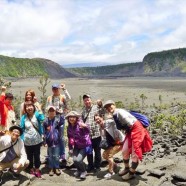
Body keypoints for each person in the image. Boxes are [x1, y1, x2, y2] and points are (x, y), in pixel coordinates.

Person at [103, 100, 153, 180]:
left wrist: (123, 129)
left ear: (114, 105)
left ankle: (131, 173)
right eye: (107, 107)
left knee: (135, 152)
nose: (109, 108)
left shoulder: (120, 112)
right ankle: (126, 168)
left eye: (110, 106)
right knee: (125, 150)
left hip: (136, 130)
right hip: (130, 131)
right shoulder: (115, 114)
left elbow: (129, 123)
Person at [46, 83, 71, 162]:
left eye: (56, 88)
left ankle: (62, 154)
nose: (55, 90)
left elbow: (69, 98)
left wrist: (64, 89)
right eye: (54, 88)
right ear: (52, 89)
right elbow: (46, 107)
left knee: (60, 137)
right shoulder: (49, 98)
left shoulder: (62, 97)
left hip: (60, 118)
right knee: (51, 136)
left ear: (59, 89)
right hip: (51, 119)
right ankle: (50, 154)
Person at [94, 114, 124, 179]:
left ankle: (111, 172)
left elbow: (116, 121)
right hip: (112, 144)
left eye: (98, 118)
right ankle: (114, 165)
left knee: (109, 155)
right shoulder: (100, 127)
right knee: (104, 155)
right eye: (96, 120)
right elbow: (104, 137)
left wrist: (113, 116)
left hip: (119, 142)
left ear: (102, 117)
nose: (97, 120)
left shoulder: (108, 122)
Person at [20, 101, 45, 178]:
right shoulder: (23, 117)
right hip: (27, 142)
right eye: (27, 106)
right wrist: (22, 139)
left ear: (33, 107)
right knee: (29, 156)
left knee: (37, 155)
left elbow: (42, 119)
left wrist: (40, 109)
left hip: (37, 140)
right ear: (25, 108)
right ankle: (31, 169)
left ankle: (37, 169)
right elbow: (21, 129)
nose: (29, 108)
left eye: (31, 106)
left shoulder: (37, 114)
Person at [66, 111, 92, 180]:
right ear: (68, 118)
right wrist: (70, 148)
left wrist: (85, 126)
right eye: (70, 117)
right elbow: (70, 138)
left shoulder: (80, 124)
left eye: (73, 117)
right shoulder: (69, 127)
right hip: (76, 146)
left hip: (84, 145)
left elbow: (88, 131)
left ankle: (84, 171)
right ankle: (79, 170)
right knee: (74, 160)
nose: (72, 118)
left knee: (78, 160)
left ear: (76, 118)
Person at [43, 106, 65, 176]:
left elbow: (62, 122)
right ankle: (51, 168)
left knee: (56, 156)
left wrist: (61, 114)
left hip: (56, 141)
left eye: (53, 112)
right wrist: (45, 142)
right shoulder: (45, 121)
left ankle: (57, 167)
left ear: (55, 113)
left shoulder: (57, 120)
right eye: (50, 112)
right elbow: (44, 132)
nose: (52, 113)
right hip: (49, 142)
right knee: (50, 156)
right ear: (48, 112)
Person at [82, 94, 101, 172]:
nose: (87, 101)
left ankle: (97, 166)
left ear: (91, 100)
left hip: (97, 134)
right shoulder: (83, 110)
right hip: (88, 136)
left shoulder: (96, 108)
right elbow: (81, 121)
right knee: (89, 152)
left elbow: (103, 111)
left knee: (97, 152)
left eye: (88, 99)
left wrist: (100, 104)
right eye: (85, 100)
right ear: (84, 102)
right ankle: (90, 165)